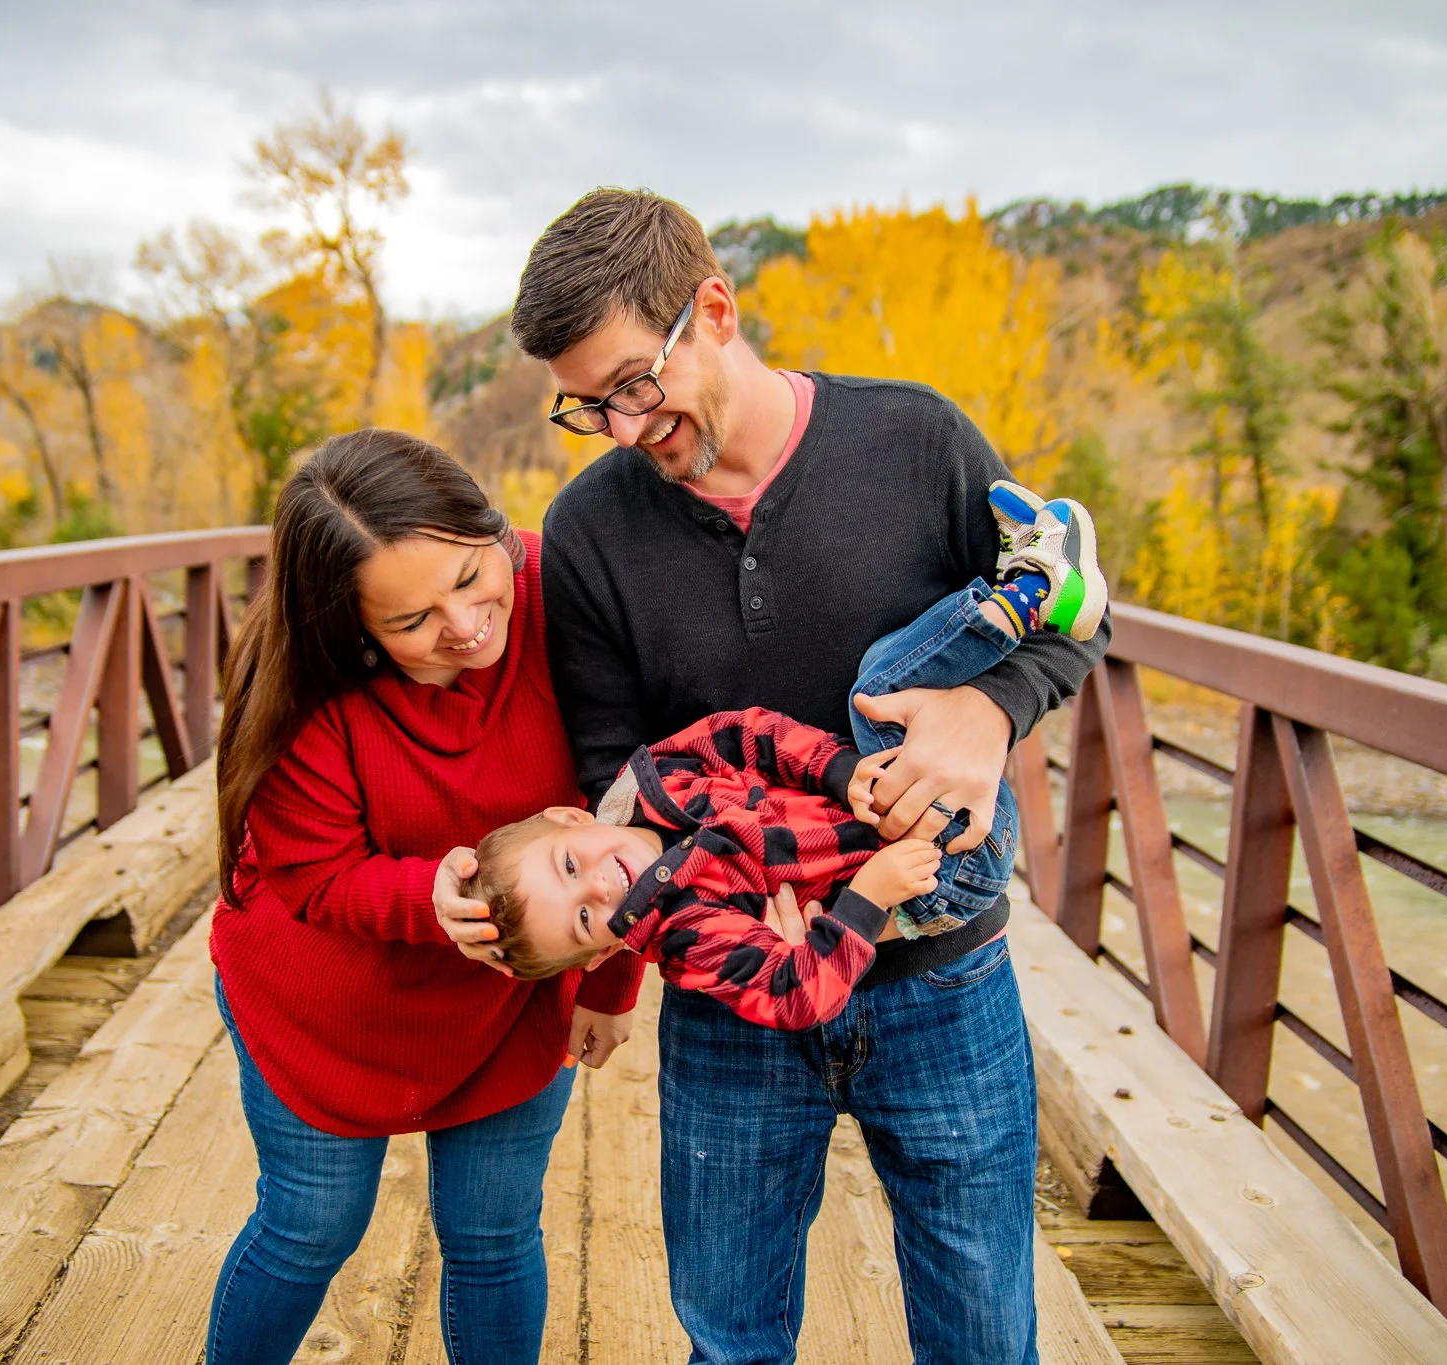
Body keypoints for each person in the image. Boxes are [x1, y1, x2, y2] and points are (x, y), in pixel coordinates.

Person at [436, 190, 1111, 1365]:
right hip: (731, 1003)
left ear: (713, 310)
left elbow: (1070, 620)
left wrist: (987, 710)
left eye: (633, 384)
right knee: (730, 1338)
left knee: (984, 1336)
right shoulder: (588, 528)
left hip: (943, 977)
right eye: (588, 407)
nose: (622, 428)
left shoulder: (915, 439)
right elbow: (612, 768)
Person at [208, 429, 643, 1365]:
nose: (466, 624)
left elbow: (642, 807)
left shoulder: (562, 587)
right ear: (351, 628)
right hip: (329, 1006)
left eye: (471, 574)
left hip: (511, 1001)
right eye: (412, 620)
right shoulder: (300, 685)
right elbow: (316, 873)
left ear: (490, 528)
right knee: (311, 1224)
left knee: (494, 1234)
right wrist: (428, 898)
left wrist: (613, 980)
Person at [454, 491, 1109, 1034]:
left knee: (879, 693)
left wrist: (840, 773)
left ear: (572, 818)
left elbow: (745, 734)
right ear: (601, 953)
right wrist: (868, 898)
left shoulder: (658, 778)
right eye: (584, 919)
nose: (598, 887)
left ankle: (1027, 593)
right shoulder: (686, 934)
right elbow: (795, 997)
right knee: (879, 693)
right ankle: (1033, 590)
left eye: (569, 866)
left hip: (931, 800)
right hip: (940, 873)